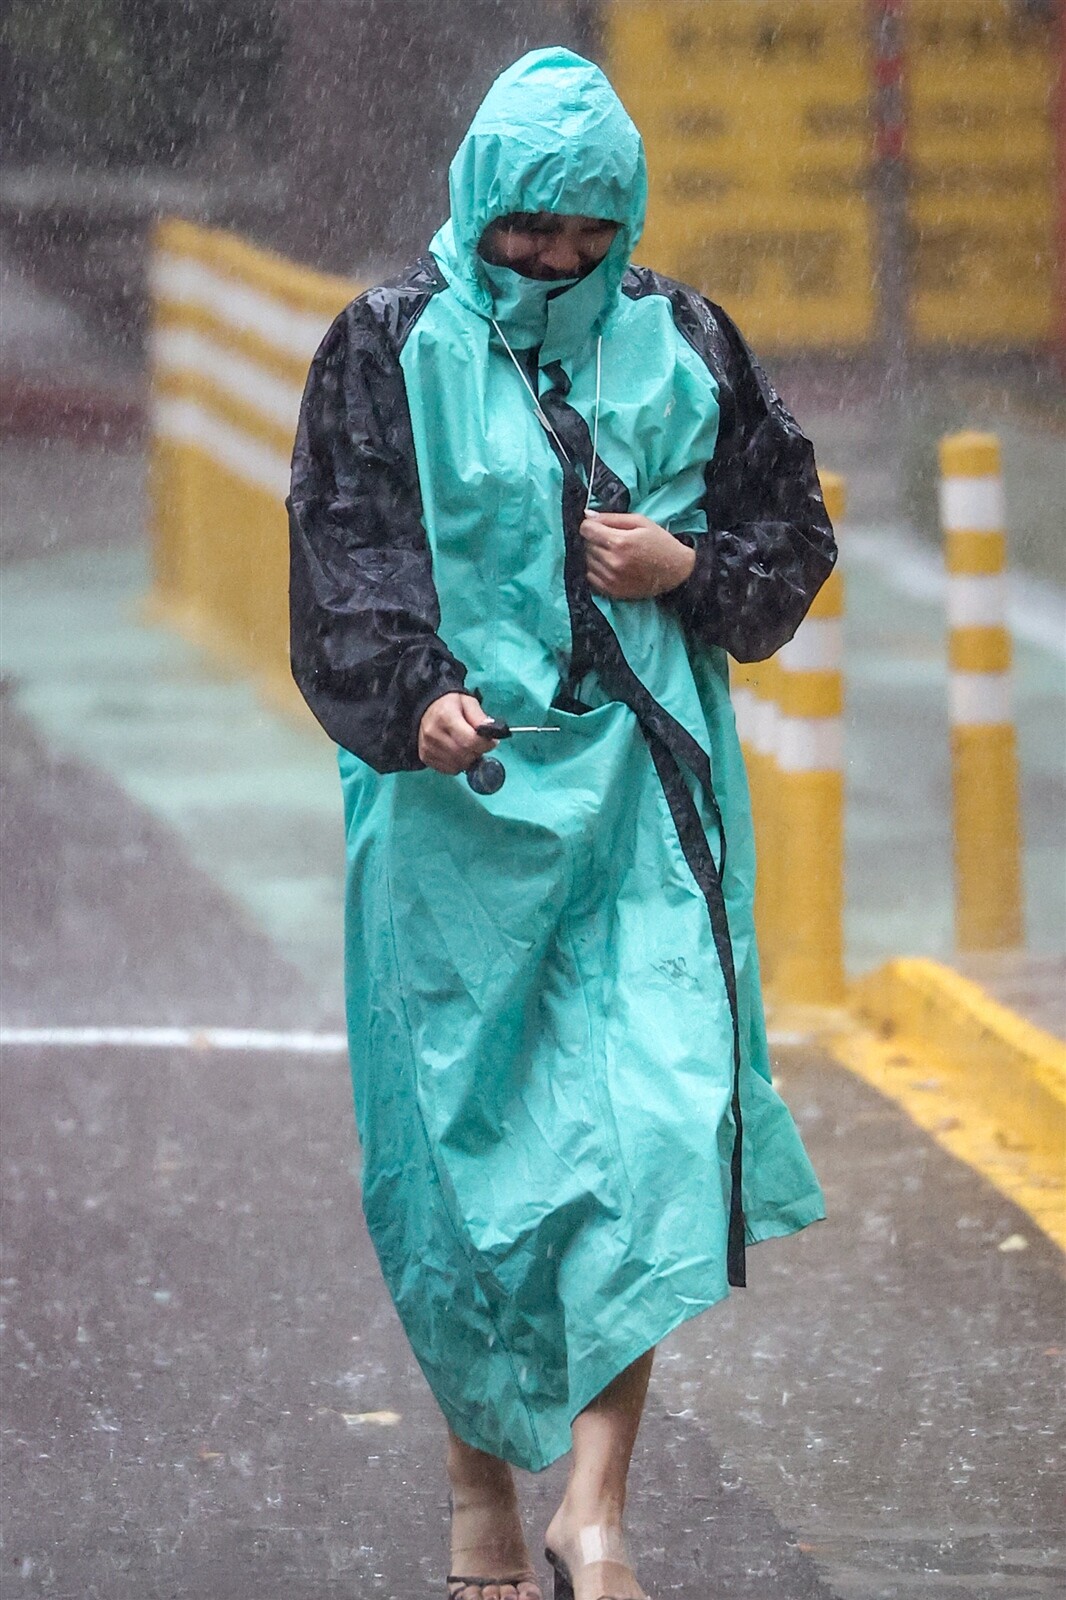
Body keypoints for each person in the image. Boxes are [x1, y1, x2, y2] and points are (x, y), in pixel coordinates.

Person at [288, 47, 835, 1600]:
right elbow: (342, 560)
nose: (558, 259)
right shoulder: (383, 348)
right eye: (530, 228)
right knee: (470, 1174)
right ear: (477, 204)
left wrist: (686, 572)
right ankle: (477, 1497)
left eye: (589, 231)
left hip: (644, 813)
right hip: (452, 822)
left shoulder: (684, 342)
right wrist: (415, 701)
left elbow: (787, 542)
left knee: (659, 1138)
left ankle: (594, 1506)